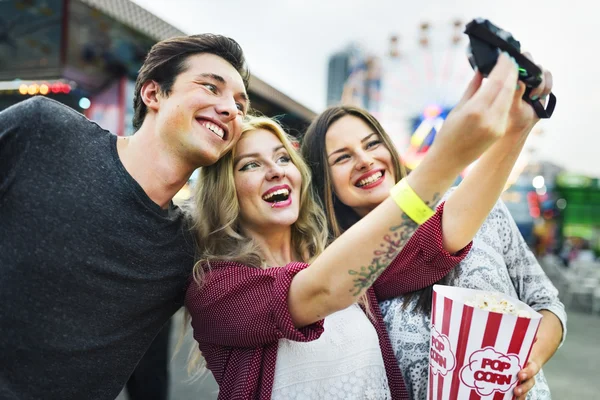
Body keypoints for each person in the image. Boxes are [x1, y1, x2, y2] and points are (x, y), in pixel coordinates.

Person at [185, 53, 524, 399]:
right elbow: (320, 291)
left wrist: (517, 127)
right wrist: (447, 157)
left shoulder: (343, 256)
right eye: (250, 165)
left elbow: (443, 234)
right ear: (224, 191)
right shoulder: (215, 290)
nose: (276, 170)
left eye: (284, 157)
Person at [0, 34, 250, 400]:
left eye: (240, 105)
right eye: (211, 87)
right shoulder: (44, 129)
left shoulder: (188, 251)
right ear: (153, 94)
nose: (230, 108)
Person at [301, 57, 565, 400]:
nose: (365, 160)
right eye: (342, 157)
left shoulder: (480, 207)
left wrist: (529, 361)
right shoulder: (343, 275)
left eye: (371, 144)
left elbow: (546, 303)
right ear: (325, 182)